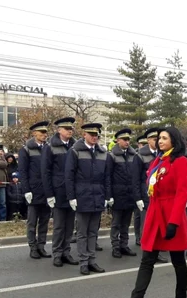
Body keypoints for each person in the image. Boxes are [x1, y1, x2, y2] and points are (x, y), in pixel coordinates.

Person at [114, 126, 187, 298]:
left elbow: (182, 193)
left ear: (174, 140)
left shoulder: (180, 162)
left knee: (178, 261)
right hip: (155, 214)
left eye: (164, 138)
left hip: (171, 215)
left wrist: (173, 222)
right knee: (147, 260)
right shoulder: (158, 160)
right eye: (159, 138)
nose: (160, 141)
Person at [66, 122, 112, 275]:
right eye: (91, 134)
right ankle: (84, 262)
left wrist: (107, 195)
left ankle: (92, 260)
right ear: (84, 135)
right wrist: (71, 197)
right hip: (82, 195)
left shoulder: (102, 153)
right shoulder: (75, 152)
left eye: (96, 135)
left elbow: (107, 177)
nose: (94, 137)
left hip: (97, 195)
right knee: (82, 232)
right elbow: (69, 176)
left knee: (93, 232)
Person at [42, 117, 79, 267]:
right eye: (66, 129)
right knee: (59, 226)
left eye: (71, 129)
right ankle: (57, 253)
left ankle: (66, 252)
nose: (70, 131)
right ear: (59, 130)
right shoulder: (50, 147)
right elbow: (46, 172)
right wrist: (49, 194)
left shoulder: (76, 146)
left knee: (70, 225)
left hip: (72, 192)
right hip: (58, 191)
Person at [133, 127, 167, 263]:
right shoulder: (140, 155)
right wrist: (138, 198)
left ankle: (155, 252)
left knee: (158, 226)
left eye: (159, 139)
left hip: (159, 197)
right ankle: (147, 254)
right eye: (155, 139)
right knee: (147, 226)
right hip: (145, 196)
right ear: (148, 140)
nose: (158, 141)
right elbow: (135, 179)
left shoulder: (162, 155)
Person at [19, 121, 52, 259]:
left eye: (45, 132)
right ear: (34, 134)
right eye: (42, 132)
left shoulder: (49, 149)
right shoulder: (26, 149)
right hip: (33, 190)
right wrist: (26, 190)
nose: (45, 135)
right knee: (32, 222)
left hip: (46, 191)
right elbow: (23, 171)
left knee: (44, 221)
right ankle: (33, 247)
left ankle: (41, 246)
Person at [108, 128, 138, 259]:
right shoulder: (112, 155)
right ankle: (115, 247)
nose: (127, 142)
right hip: (117, 194)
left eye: (128, 140)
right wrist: (109, 195)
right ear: (117, 140)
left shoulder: (133, 155)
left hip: (129, 194)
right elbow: (108, 176)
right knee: (116, 223)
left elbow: (135, 176)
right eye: (124, 140)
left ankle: (124, 245)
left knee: (126, 223)